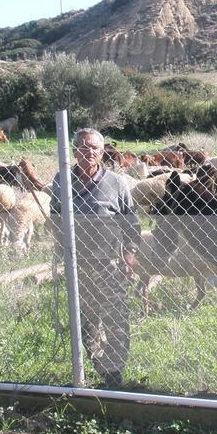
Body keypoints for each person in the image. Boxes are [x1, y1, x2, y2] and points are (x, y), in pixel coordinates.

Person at [50, 128, 140, 388]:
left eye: (94, 148)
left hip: (110, 264)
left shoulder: (116, 183)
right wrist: (60, 247)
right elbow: (55, 217)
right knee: (86, 320)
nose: (89, 152)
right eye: (83, 147)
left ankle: (114, 372)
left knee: (116, 318)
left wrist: (130, 254)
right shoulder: (61, 181)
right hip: (77, 263)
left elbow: (131, 223)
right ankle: (97, 363)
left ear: (102, 152)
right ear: (74, 151)